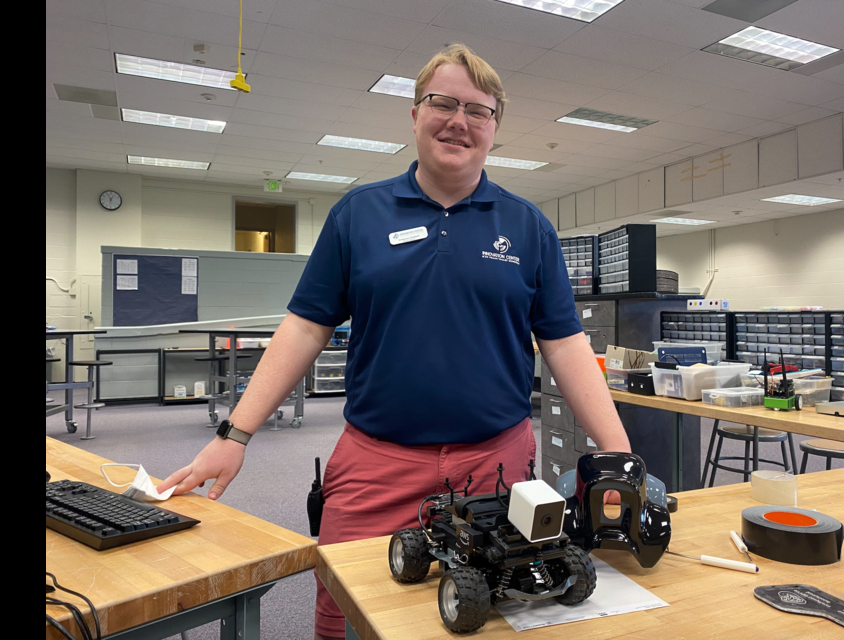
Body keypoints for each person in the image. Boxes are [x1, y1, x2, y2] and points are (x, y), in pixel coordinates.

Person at [158, 44, 631, 640]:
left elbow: (564, 345)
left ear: (494, 128)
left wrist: (620, 459)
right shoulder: (358, 214)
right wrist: (235, 434)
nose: (459, 120)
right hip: (375, 463)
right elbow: (305, 327)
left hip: (495, 465)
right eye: (443, 102)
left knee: (498, 609)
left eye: (478, 110)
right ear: (414, 114)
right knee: (344, 609)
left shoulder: (528, 226)